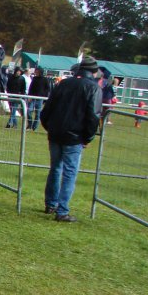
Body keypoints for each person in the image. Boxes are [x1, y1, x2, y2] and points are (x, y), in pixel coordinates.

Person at [40, 56, 101, 222]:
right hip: (74, 137)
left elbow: (47, 109)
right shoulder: (93, 88)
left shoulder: (63, 84)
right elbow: (93, 116)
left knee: (55, 168)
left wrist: (49, 127)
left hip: (55, 133)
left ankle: (50, 204)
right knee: (69, 173)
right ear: (94, 72)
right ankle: (62, 210)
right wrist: (87, 137)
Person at [26, 67, 51, 132]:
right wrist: (29, 96)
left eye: (37, 71)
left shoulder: (45, 79)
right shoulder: (34, 79)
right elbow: (31, 88)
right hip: (33, 98)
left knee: (38, 113)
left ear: (40, 72)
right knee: (29, 111)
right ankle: (29, 125)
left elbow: (48, 89)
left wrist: (44, 98)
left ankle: (35, 127)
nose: (35, 72)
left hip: (40, 99)